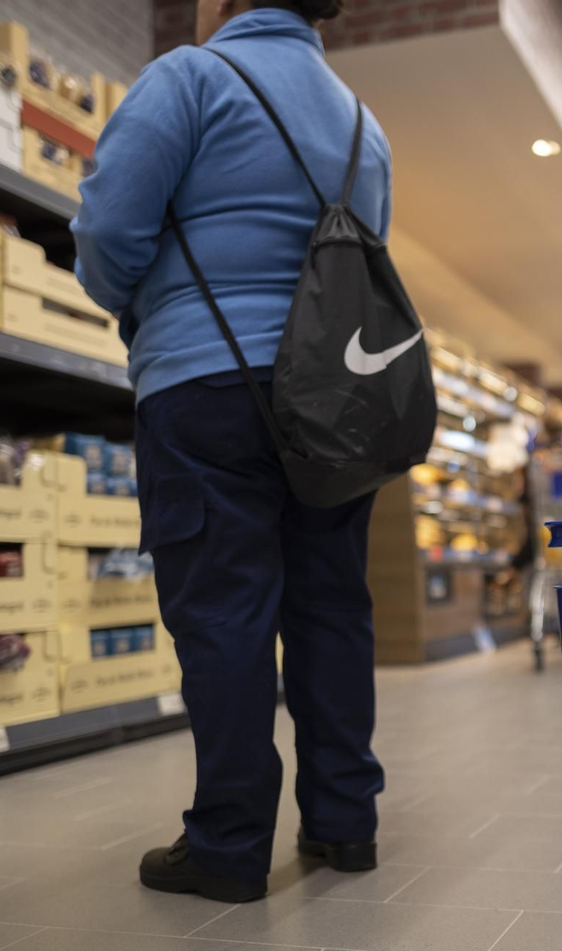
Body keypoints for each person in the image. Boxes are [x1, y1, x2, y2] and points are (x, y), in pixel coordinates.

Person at [72, 0, 391, 903]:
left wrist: (144, 307)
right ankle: (345, 823)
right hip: (334, 399)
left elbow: (106, 238)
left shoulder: (190, 78)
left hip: (207, 386)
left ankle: (229, 841)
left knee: (225, 611)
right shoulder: (367, 125)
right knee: (331, 605)